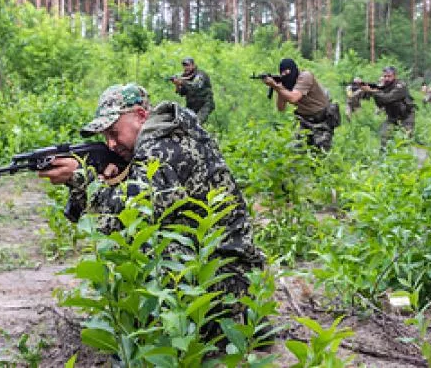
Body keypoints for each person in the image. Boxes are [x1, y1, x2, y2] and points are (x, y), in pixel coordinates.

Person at [38, 83, 265, 335]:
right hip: (224, 268)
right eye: (105, 137)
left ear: (141, 115)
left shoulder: (165, 147)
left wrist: (84, 180)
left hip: (226, 278)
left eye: (114, 132)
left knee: (143, 242)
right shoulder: (166, 135)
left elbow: (125, 215)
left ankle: (206, 325)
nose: (111, 144)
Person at [262, 58, 338, 151]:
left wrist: (276, 86)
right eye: (283, 74)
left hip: (321, 122)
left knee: (320, 155)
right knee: (295, 153)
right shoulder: (288, 83)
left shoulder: (305, 76)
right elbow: (281, 108)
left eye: (287, 72)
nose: (286, 76)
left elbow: (293, 98)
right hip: (305, 122)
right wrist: (280, 87)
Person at [361, 66, 415, 147]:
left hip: (406, 117)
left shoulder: (400, 86)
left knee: (405, 141)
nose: (386, 78)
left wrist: (372, 91)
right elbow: (380, 103)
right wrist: (369, 91)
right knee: (383, 136)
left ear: (395, 76)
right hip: (392, 117)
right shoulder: (384, 86)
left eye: (389, 76)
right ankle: (384, 156)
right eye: (385, 76)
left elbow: (388, 98)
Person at [169, 57, 215, 123]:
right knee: (185, 122)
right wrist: (177, 84)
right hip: (192, 106)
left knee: (197, 123)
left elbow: (195, 86)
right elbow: (182, 93)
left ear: (193, 65)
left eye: (188, 65)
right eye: (184, 66)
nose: (186, 67)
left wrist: (182, 82)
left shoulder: (200, 74)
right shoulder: (184, 76)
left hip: (204, 104)